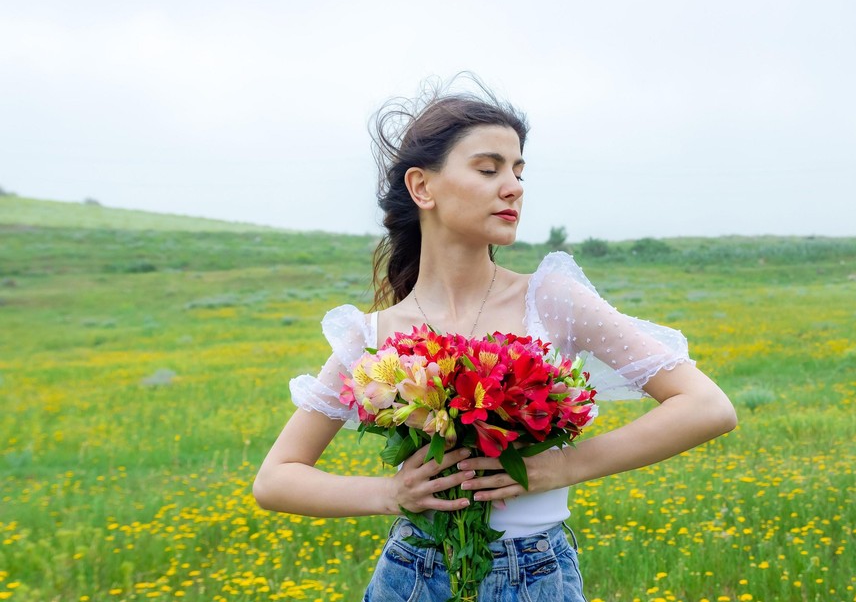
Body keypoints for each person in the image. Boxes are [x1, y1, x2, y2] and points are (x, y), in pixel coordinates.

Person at [253, 77, 738, 601]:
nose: (514, 186)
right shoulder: (373, 336)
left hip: (534, 576)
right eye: (489, 169)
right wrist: (391, 492)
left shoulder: (551, 299)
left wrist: (559, 466)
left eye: (518, 170)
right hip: (410, 576)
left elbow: (707, 406)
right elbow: (276, 478)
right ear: (423, 188)